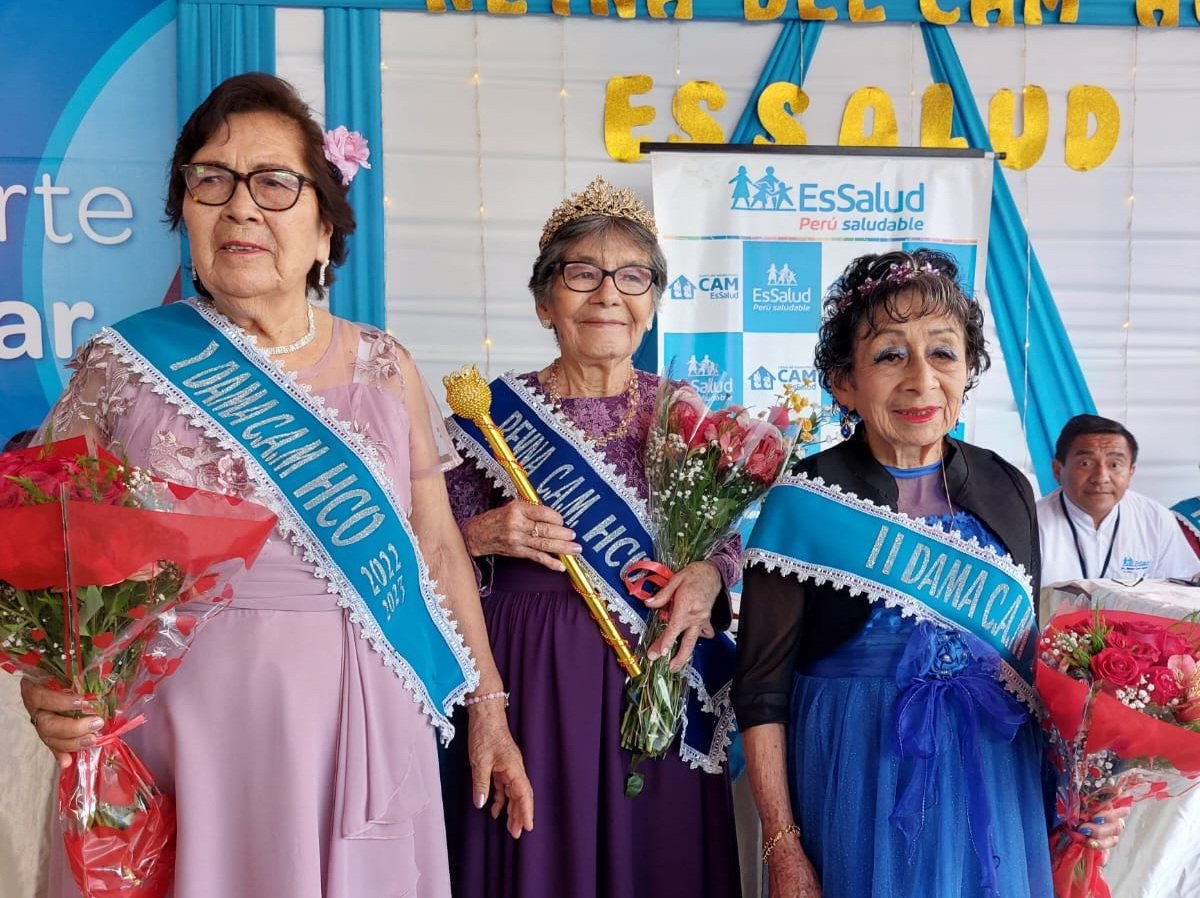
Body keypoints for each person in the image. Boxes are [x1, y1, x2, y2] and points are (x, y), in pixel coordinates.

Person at [20, 72, 532, 898]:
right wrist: (45, 678)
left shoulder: (384, 365)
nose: (240, 207)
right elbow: (47, 549)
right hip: (176, 722)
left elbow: (435, 550)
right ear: (184, 215)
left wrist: (490, 711)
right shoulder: (123, 366)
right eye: (210, 181)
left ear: (326, 228)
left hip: (354, 719)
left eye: (275, 183)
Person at [733, 250, 1128, 898]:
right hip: (859, 777)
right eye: (890, 355)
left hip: (995, 779)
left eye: (942, 353)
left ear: (966, 372)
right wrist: (781, 844)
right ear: (843, 381)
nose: (921, 379)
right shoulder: (805, 499)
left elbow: (1028, 664)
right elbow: (761, 692)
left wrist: (1077, 793)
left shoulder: (1006, 486)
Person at [441, 177, 740, 898]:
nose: (609, 292)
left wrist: (708, 578)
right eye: (582, 273)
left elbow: (725, 540)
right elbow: (429, 546)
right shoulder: (491, 415)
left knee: (655, 860)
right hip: (528, 675)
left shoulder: (685, 412)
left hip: (655, 673)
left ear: (653, 302)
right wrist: (480, 532)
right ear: (547, 301)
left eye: (632, 276)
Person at [1038, 414, 1199, 586]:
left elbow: (1184, 589)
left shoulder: (1156, 519)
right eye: (1085, 463)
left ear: (1131, 471)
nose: (1101, 477)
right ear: (1057, 470)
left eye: (1114, 465)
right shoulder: (1031, 524)